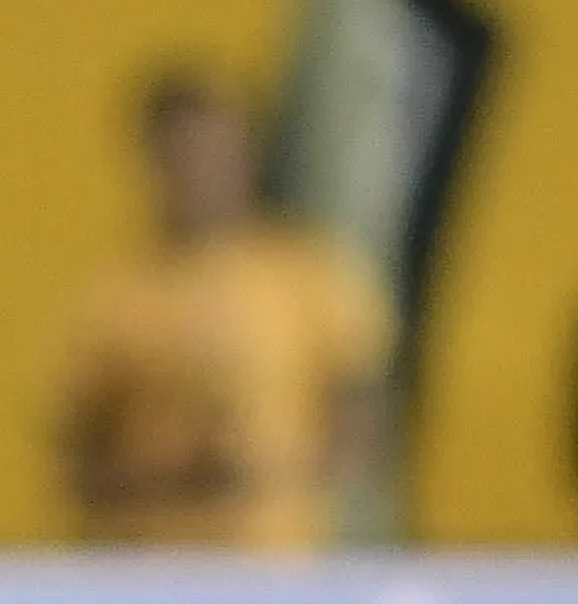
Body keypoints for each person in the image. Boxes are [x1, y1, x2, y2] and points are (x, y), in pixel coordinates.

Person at [57, 68, 389, 551]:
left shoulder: (310, 278)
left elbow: (359, 426)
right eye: (183, 156)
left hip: (283, 575)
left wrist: (272, 475)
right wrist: (177, 479)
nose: (200, 172)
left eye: (214, 152)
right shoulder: (114, 302)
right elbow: (79, 462)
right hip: (158, 577)